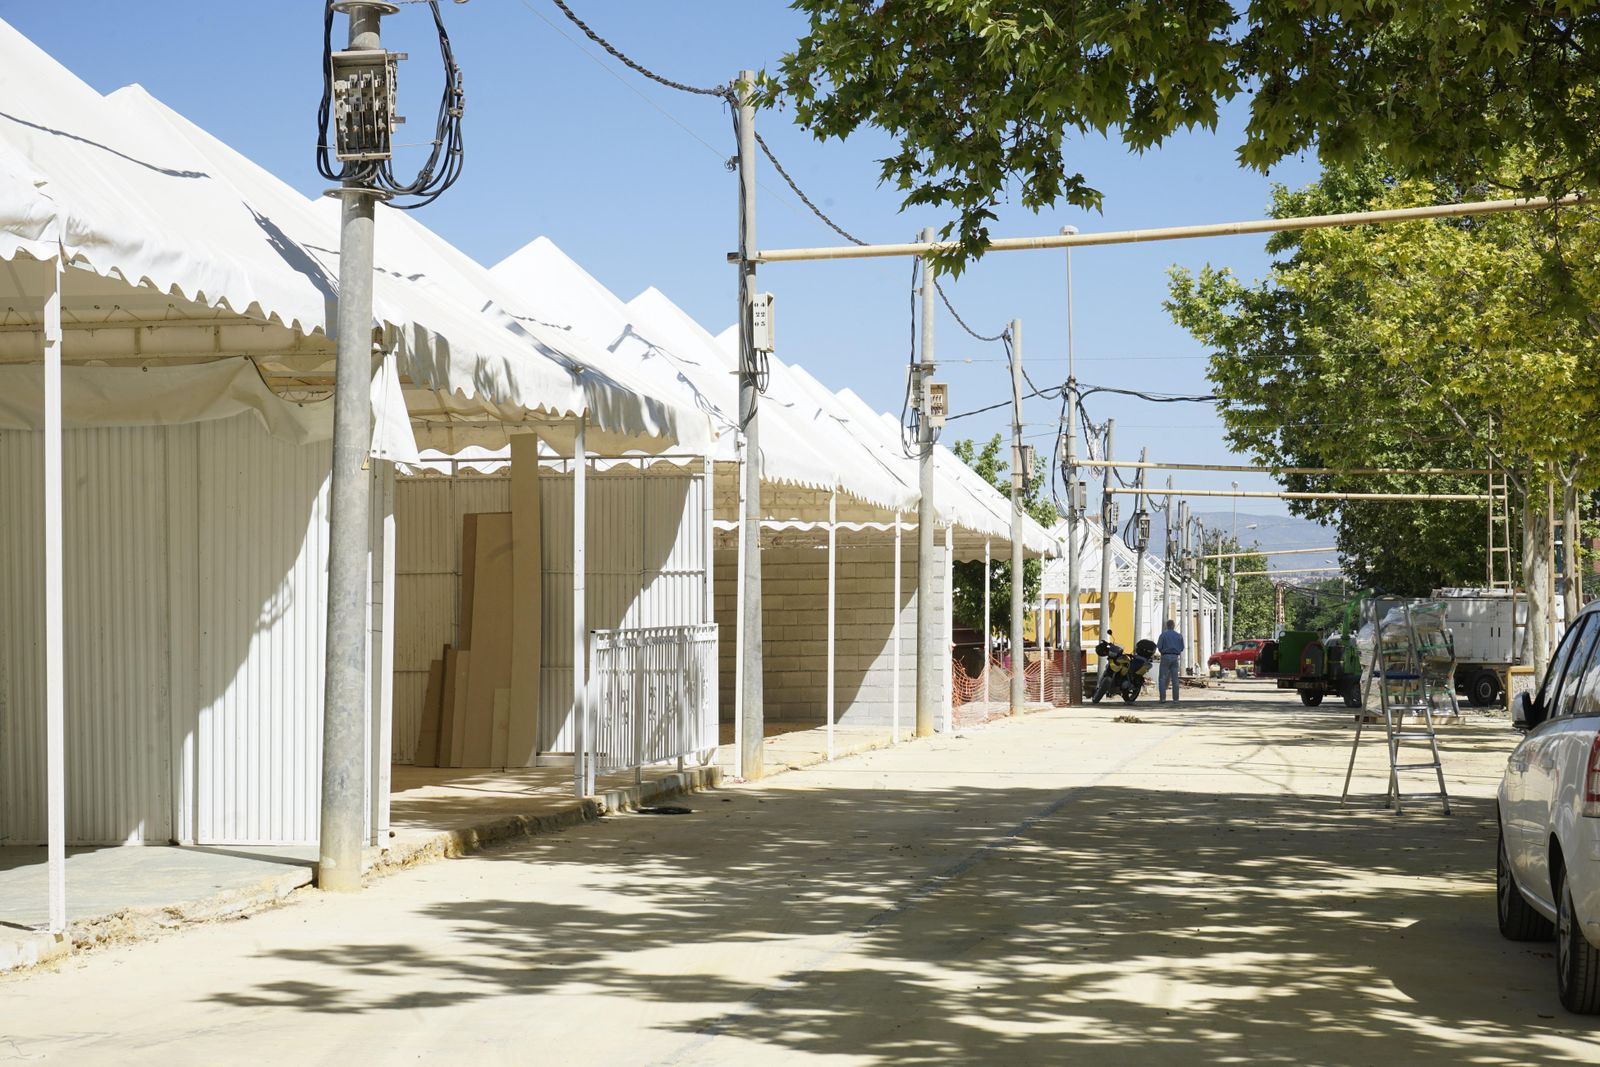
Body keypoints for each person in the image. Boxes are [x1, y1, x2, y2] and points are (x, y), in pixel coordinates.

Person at [1156, 619, 1185, 702]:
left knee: (1162, 678)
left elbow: (1159, 646)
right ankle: (1176, 699)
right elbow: (1182, 648)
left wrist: (1163, 652)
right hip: (1175, 657)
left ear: (1167, 626)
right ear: (1173, 625)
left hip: (1165, 656)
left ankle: (1163, 698)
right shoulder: (1179, 636)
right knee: (1175, 678)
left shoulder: (1163, 635)